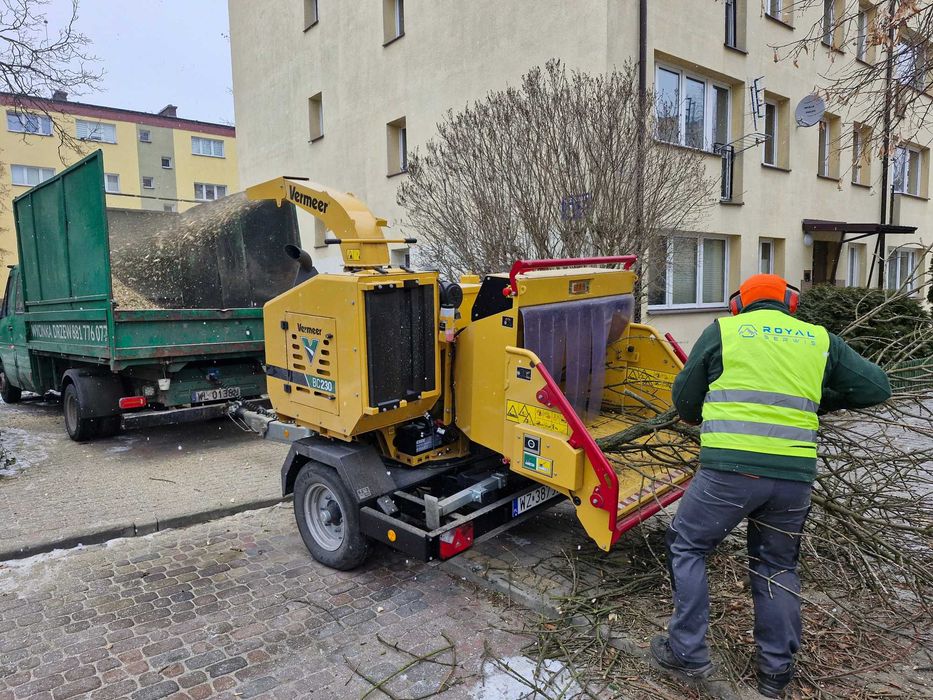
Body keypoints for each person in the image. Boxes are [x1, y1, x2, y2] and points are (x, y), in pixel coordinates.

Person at [649, 273, 891, 698]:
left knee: (687, 546)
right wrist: (820, 399)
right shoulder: (819, 339)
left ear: (738, 305)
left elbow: (685, 402)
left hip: (729, 474)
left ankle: (687, 650)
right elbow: (877, 388)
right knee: (776, 565)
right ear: (791, 303)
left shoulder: (724, 331)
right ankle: (775, 674)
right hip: (792, 480)